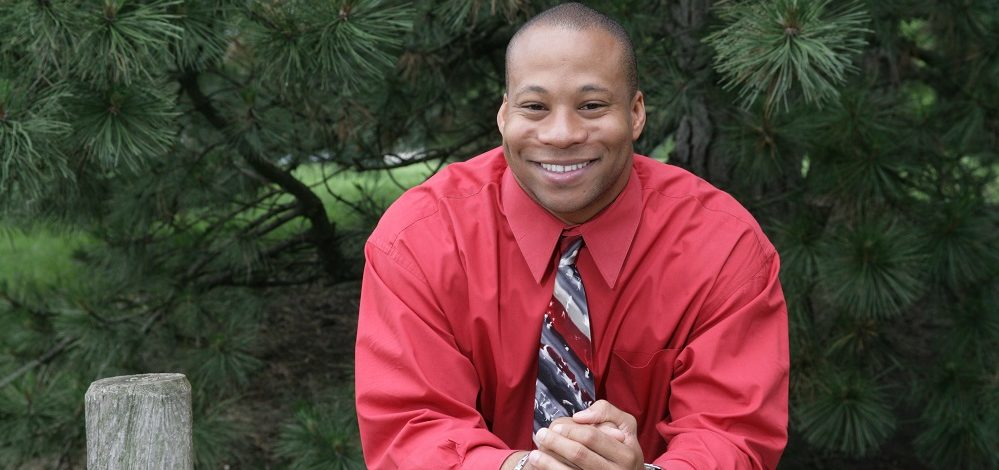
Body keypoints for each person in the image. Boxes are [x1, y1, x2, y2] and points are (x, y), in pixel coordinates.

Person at [354, 3, 789, 469]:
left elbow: (732, 435)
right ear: (504, 115)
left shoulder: (723, 247)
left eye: (592, 105)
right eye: (535, 107)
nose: (561, 134)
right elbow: (412, 425)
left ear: (636, 112)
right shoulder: (419, 240)